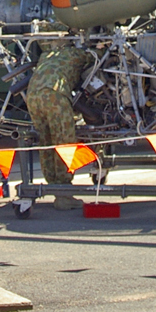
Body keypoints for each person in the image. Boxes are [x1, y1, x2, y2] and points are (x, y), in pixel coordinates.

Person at [24, 44, 94, 209]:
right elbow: (97, 57)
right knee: (64, 143)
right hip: (54, 95)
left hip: (32, 96)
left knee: (46, 142)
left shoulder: (47, 55)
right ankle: (64, 195)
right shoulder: (77, 54)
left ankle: (53, 185)